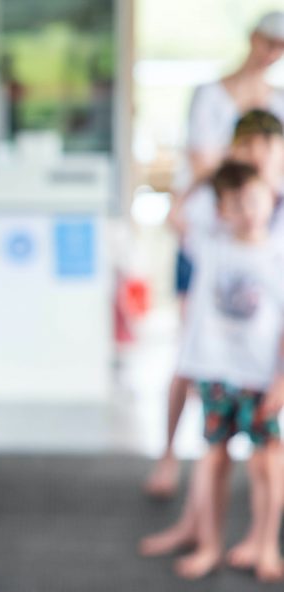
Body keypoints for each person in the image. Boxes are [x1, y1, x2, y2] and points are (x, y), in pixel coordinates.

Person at [147, 11, 284, 498]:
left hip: (256, 248)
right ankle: (167, 456)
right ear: (253, 40)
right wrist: (249, 153)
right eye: (269, 43)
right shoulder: (211, 94)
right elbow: (203, 165)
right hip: (206, 241)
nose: (273, 54)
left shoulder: (276, 104)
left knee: (255, 352)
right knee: (190, 351)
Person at [142, 161, 284, 581]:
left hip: (261, 378)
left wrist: (281, 380)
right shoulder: (210, 243)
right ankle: (209, 545)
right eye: (236, 203)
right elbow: (175, 217)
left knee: (267, 464)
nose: (247, 210)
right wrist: (203, 176)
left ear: (271, 199)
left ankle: (267, 546)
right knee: (212, 459)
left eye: (254, 200)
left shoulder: (278, 254)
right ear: (220, 209)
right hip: (217, 374)